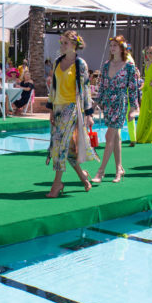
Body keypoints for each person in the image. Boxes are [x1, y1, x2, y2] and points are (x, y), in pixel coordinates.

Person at [45, 30, 97, 197]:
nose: (62, 45)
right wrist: (52, 109)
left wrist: (89, 113)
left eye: (66, 43)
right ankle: (83, 177)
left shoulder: (80, 64)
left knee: (59, 144)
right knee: (66, 148)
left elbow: (86, 89)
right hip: (58, 108)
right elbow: (53, 87)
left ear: (74, 45)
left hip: (71, 108)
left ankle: (56, 184)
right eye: (62, 42)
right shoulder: (57, 62)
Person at [94, 36, 140, 183]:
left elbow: (132, 88)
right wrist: (96, 102)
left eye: (115, 45)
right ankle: (119, 168)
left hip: (120, 103)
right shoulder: (107, 65)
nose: (112, 48)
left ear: (122, 48)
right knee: (115, 137)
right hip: (108, 103)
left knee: (109, 136)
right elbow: (102, 85)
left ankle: (100, 172)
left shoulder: (129, 66)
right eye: (111, 45)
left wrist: (133, 107)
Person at [135, 45, 152, 144]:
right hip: (146, 91)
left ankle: (149, 136)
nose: (150, 55)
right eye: (148, 53)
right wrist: (140, 87)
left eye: (151, 53)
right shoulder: (147, 63)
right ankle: (143, 134)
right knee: (145, 113)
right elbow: (146, 79)